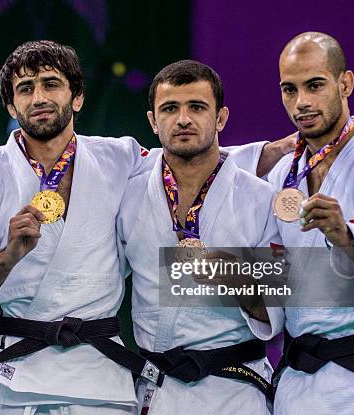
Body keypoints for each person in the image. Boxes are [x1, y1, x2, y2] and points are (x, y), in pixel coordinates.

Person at [0, 40, 291, 415]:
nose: (39, 97)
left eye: (51, 84)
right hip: (23, 372)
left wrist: (270, 153)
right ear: (10, 104)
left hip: (106, 377)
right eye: (26, 88)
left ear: (78, 97)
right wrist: (8, 257)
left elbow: (191, 157)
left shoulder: (119, 159)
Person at [117, 60, 284, 414]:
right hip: (155, 389)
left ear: (220, 118)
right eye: (170, 108)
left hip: (234, 390)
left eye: (196, 107)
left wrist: (233, 277)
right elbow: (96, 274)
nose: (183, 120)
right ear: (152, 121)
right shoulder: (128, 193)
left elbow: (279, 310)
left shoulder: (258, 197)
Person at [267, 32, 354, 414]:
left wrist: (347, 237)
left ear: (345, 83)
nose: (301, 103)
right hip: (299, 382)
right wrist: (195, 269)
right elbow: (274, 282)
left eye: (314, 85)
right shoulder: (282, 175)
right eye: (289, 89)